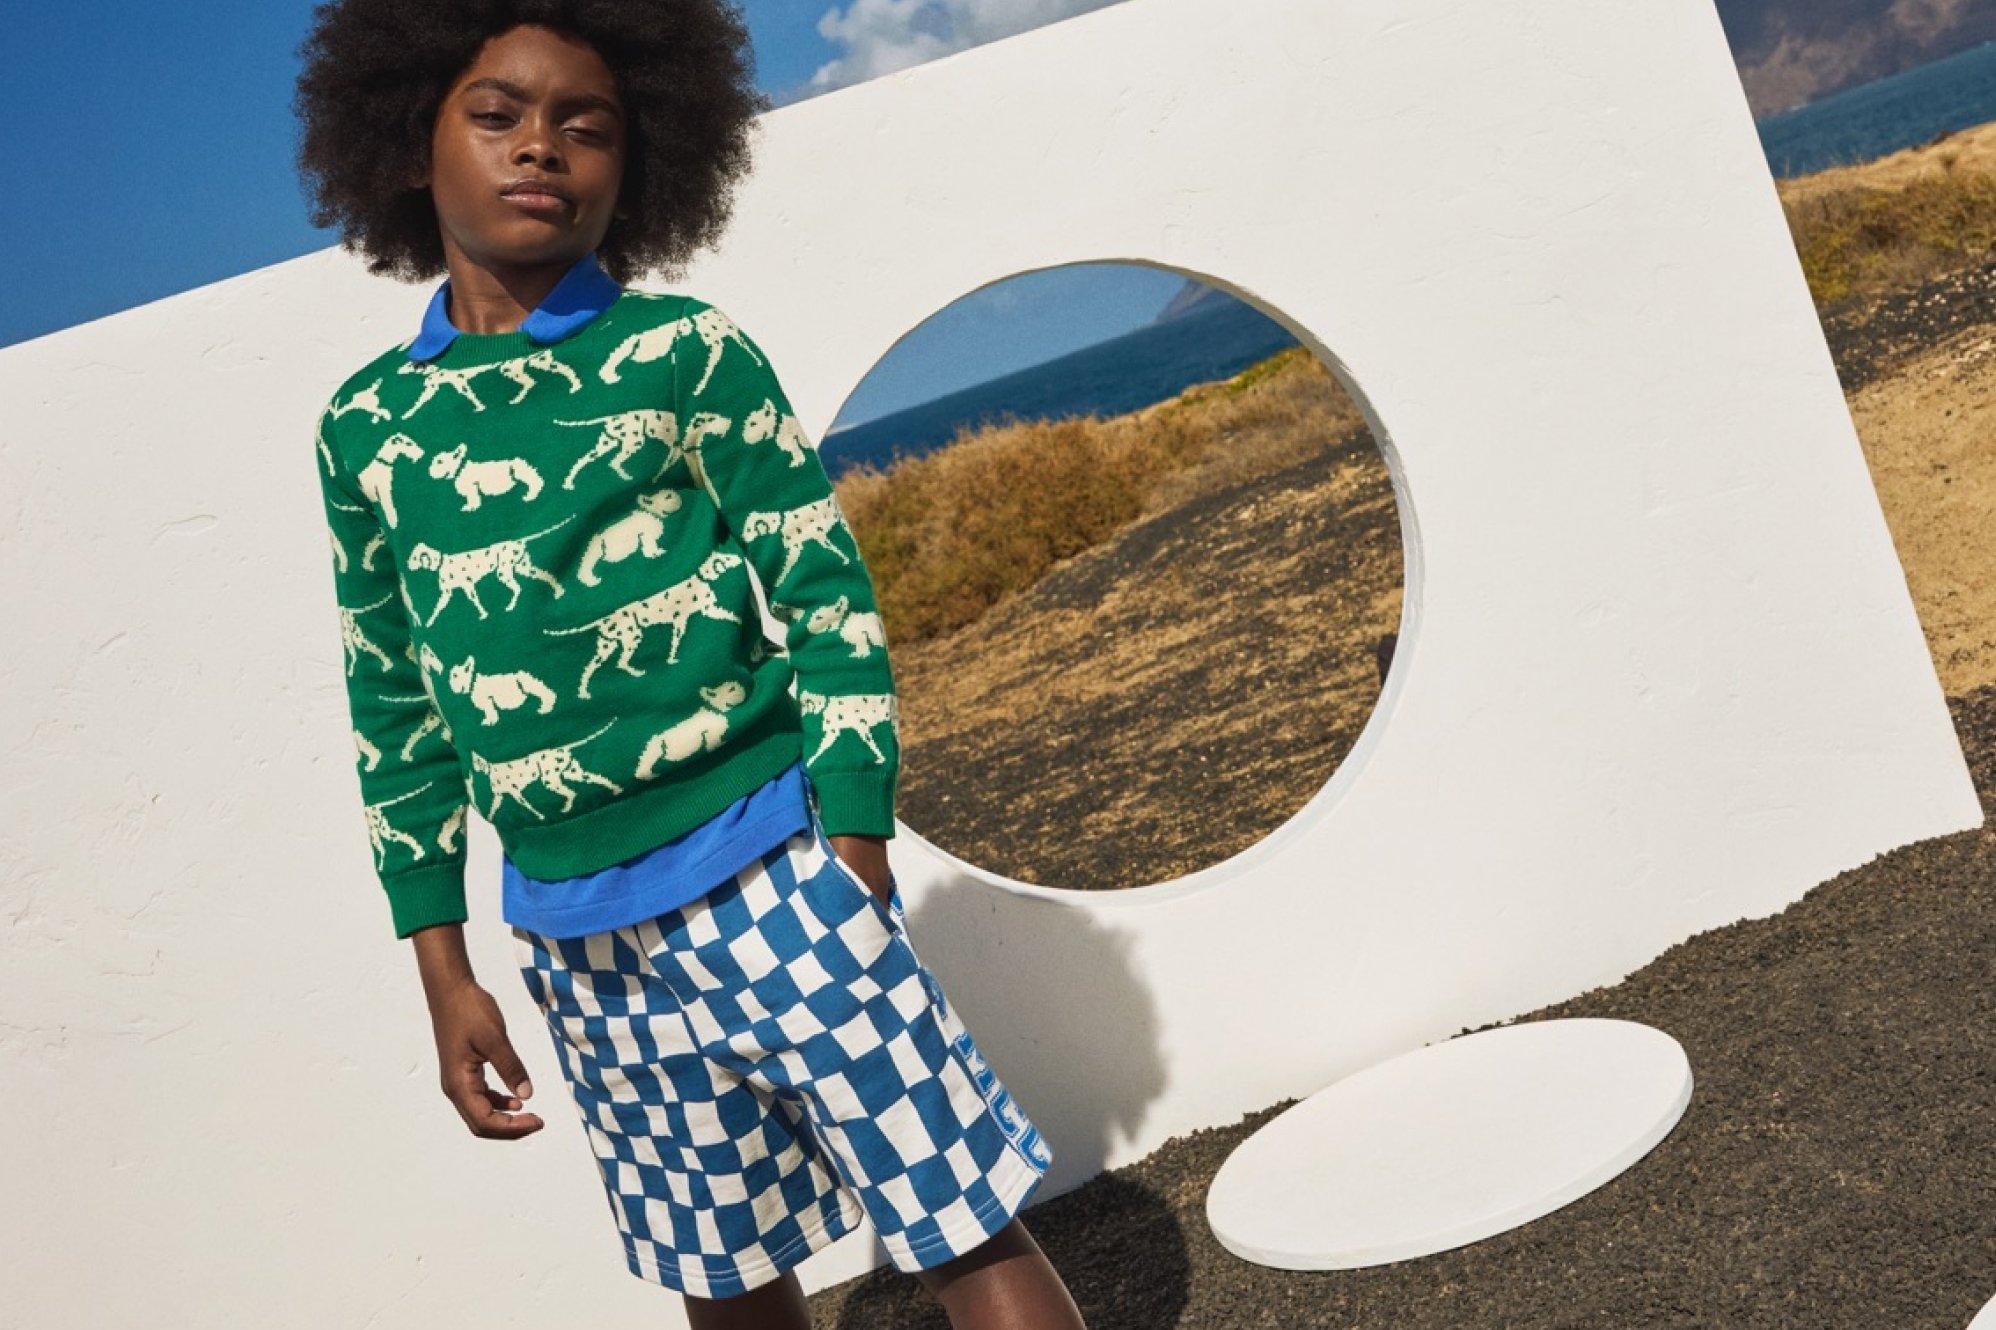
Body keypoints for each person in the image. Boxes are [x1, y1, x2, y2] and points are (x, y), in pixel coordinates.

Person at [293, 7, 1085, 1326]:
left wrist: (858, 833)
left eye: (585, 124)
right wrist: (442, 962)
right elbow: (395, 708)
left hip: (775, 871)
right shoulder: (365, 428)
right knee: (723, 1285)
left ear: (638, 161)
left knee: (959, 1229)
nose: (541, 145)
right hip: (574, 943)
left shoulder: (684, 353)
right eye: (497, 114)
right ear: (405, 144)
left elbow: (824, 587)